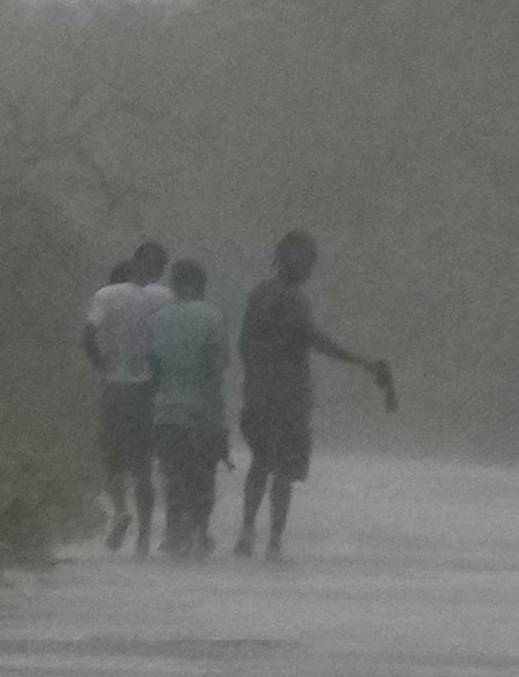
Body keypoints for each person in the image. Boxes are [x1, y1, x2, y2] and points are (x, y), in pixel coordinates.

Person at [235, 229, 392, 561]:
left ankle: (248, 531)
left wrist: (256, 381)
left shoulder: (261, 294)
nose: (310, 268)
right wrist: (360, 361)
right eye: (307, 261)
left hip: (261, 395)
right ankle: (273, 541)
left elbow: (246, 345)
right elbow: (313, 339)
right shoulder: (293, 299)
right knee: (283, 471)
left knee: (262, 463)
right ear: (289, 260)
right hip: (288, 397)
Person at [79, 241, 171, 554]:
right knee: (142, 465)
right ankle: (143, 538)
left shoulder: (107, 295)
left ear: (134, 261)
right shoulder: (164, 297)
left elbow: (88, 335)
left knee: (112, 460)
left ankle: (120, 511)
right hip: (147, 389)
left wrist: (100, 364)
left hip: (114, 386)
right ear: (161, 268)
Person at [144, 259, 234, 558]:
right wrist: (218, 419)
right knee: (203, 476)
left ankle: (173, 533)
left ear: (175, 283)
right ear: (199, 284)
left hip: (166, 411)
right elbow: (216, 370)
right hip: (202, 412)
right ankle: (200, 531)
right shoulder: (212, 317)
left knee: (173, 475)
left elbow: (152, 371)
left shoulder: (157, 320)